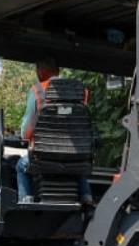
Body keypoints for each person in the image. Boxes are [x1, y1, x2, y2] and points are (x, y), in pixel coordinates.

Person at [16, 57, 92, 205]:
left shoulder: (37, 90)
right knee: (78, 166)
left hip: (42, 159)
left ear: (40, 71)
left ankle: (25, 200)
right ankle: (86, 196)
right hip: (75, 158)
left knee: (20, 166)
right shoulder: (81, 91)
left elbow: (26, 131)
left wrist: (23, 134)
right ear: (58, 70)